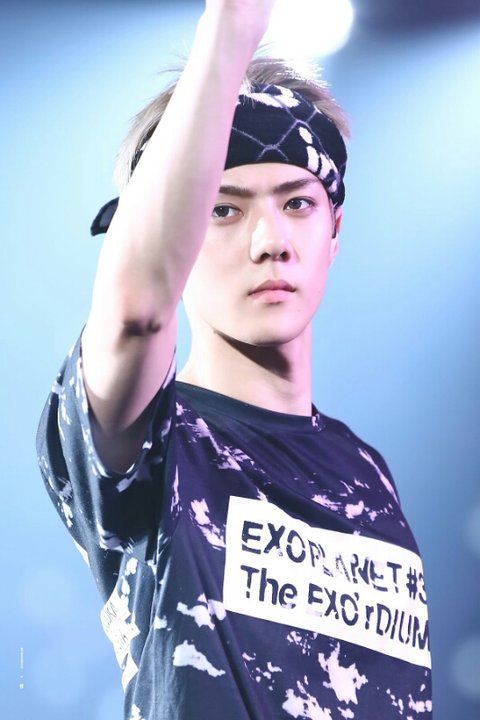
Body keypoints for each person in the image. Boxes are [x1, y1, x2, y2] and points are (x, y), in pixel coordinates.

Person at [36, 1, 433, 718]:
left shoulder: (369, 473)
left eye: (298, 204)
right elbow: (136, 310)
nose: (270, 241)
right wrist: (231, 26)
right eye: (222, 209)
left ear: (335, 229)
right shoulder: (152, 439)